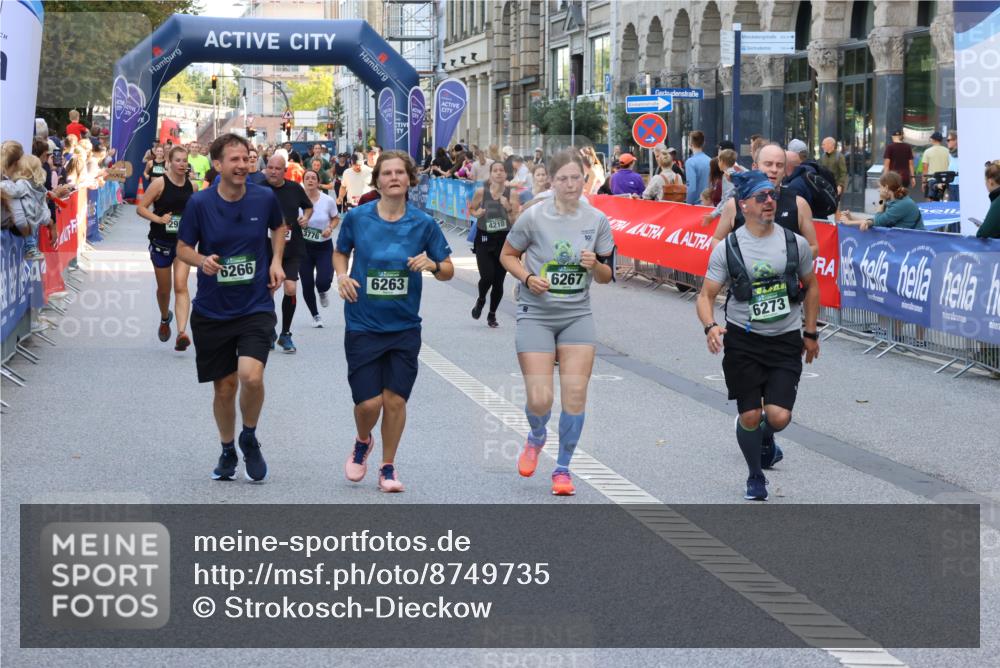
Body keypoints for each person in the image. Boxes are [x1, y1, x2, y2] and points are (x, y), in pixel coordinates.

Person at [334, 150, 455, 493]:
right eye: (386, 173)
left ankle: (387, 467)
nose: (393, 178)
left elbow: (447, 269)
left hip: (403, 326)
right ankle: (362, 441)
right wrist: (342, 276)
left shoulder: (423, 224)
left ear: (409, 179)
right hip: (363, 322)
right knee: (368, 403)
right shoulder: (358, 218)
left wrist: (432, 265)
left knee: (395, 400)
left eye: (400, 172)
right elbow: (340, 251)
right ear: (378, 180)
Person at [696, 170, 820, 501]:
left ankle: (765, 436)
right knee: (750, 413)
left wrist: (811, 332)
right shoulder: (728, 248)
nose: (769, 202)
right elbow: (705, 295)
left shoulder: (796, 244)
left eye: (772, 196)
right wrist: (710, 326)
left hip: (784, 340)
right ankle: (755, 475)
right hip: (743, 340)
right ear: (743, 205)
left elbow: (812, 287)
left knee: (778, 416)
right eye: (761, 197)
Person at [499, 150, 616, 496]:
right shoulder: (533, 217)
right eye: (562, 178)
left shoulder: (597, 221)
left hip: (577, 315)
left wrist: (595, 264)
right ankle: (537, 434)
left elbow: (608, 277)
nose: (569, 184)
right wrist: (527, 277)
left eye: (575, 178)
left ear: (585, 179)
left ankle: (562, 469)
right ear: (551, 180)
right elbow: (508, 255)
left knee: (575, 395)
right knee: (539, 400)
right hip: (536, 313)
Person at [175, 133, 286, 482]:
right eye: (234, 159)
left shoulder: (264, 197)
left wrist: (276, 261)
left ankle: (249, 436)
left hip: (255, 304)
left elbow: (279, 228)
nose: (242, 165)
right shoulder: (200, 203)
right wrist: (202, 260)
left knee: (251, 376)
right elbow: (182, 248)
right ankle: (227, 450)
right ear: (217, 165)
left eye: (246, 158)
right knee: (223, 387)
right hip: (212, 309)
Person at [711, 143, 820, 259]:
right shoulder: (734, 204)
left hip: (785, 276)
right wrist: (735, 261)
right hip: (743, 276)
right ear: (755, 167)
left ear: (784, 171)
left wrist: (788, 260)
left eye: (779, 165)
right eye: (768, 164)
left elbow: (813, 247)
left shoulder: (799, 204)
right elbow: (716, 239)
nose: (774, 170)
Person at [136, 145, 196, 349]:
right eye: (178, 160)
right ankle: (164, 317)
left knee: (181, 286)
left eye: (184, 160)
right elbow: (141, 208)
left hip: (183, 244)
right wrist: (159, 219)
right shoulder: (160, 183)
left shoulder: (192, 186)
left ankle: (181, 333)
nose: (182, 164)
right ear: (169, 162)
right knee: (164, 289)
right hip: (161, 241)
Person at [264, 154, 313, 353]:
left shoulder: (294, 188)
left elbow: (308, 207)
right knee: (269, 291)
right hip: (266, 248)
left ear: (285, 171)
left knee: (290, 289)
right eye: (270, 167)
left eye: (278, 168)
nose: (273, 171)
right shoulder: (259, 188)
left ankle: (285, 333)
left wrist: (306, 218)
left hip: (292, 247)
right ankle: (268, 330)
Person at [468, 161, 520, 328]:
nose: (498, 173)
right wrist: (478, 213)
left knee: (498, 281)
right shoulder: (481, 191)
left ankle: (492, 314)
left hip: (503, 240)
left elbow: (514, 221)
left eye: (501, 170)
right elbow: (471, 209)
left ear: (506, 174)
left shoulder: (512, 194)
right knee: (487, 276)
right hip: (484, 238)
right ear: (490, 174)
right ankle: (481, 299)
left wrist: (508, 208)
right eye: (495, 170)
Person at [299, 169, 340, 327]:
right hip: (303, 248)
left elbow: (335, 218)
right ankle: (315, 315)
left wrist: (330, 228)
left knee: (323, 281)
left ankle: (322, 291)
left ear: (318, 182)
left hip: (323, 246)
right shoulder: (298, 200)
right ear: (303, 181)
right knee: (307, 283)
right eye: (307, 178)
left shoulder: (327, 200)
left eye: (313, 178)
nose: (310, 180)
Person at [840, 170, 924, 230]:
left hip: (913, 242)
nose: (878, 190)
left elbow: (878, 221)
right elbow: (876, 219)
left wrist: (849, 222)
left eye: (880, 187)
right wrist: (852, 217)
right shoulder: (895, 200)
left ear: (886, 187)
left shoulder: (902, 204)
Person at [919, 131, 951, 199]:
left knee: (931, 203)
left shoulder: (927, 152)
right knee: (945, 203)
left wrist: (924, 182)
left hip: (932, 180)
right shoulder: (947, 151)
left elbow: (925, 168)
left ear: (933, 139)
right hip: (945, 180)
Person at [685, 130, 711, 205]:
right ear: (703, 143)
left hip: (696, 206)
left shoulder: (690, 162)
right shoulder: (710, 160)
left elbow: (691, 188)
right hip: (709, 204)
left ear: (690, 144)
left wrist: (688, 203)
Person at [977, 160, 1000, 239]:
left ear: (990, 182)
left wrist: (983, 227)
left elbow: (982, 234)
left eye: (985, 180)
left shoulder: (998, 202)